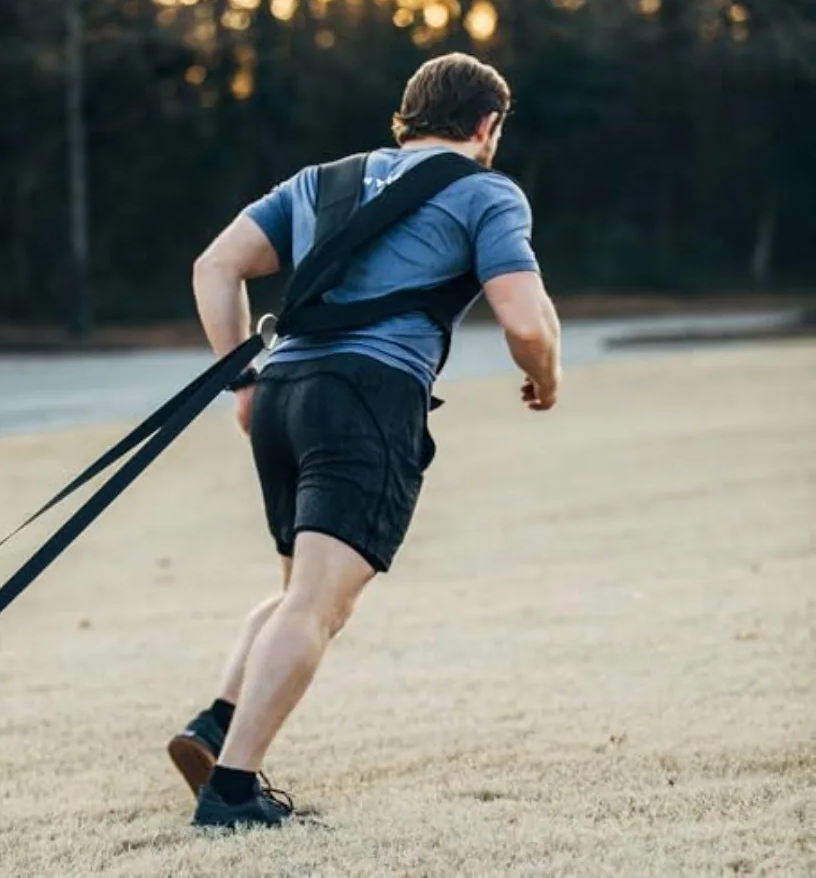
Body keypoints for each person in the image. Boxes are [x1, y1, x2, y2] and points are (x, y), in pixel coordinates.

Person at [168, 51, 562, 830]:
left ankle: (217, 724)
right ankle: (233, 792)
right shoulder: (487, 192)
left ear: (407, 116)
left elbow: (216, 266)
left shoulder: (320, 180)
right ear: (487, 127)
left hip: (283, 393)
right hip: (367, 396)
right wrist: (546, 376)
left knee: (298, 596)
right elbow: (525, 319)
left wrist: (241, 383)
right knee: (314, 604)